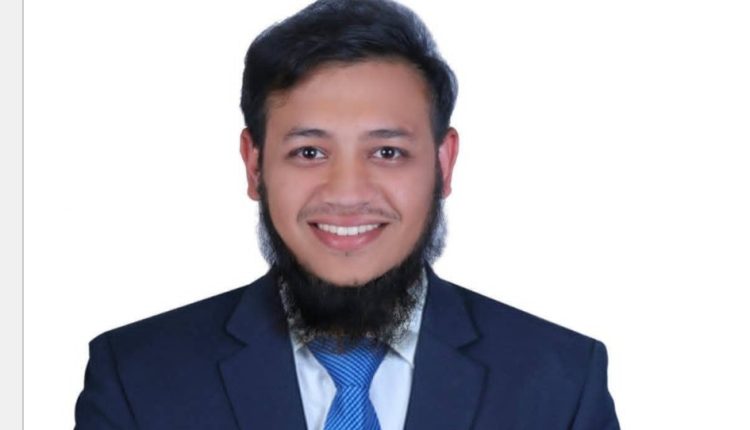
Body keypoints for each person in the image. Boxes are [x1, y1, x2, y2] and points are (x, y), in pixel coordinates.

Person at [75, 0, 620, 429]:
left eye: (388, 152)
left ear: (443, 163)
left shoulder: (562, 382)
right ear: (255, 165)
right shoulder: (136, 378)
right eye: (310, 152)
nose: (348, 192)